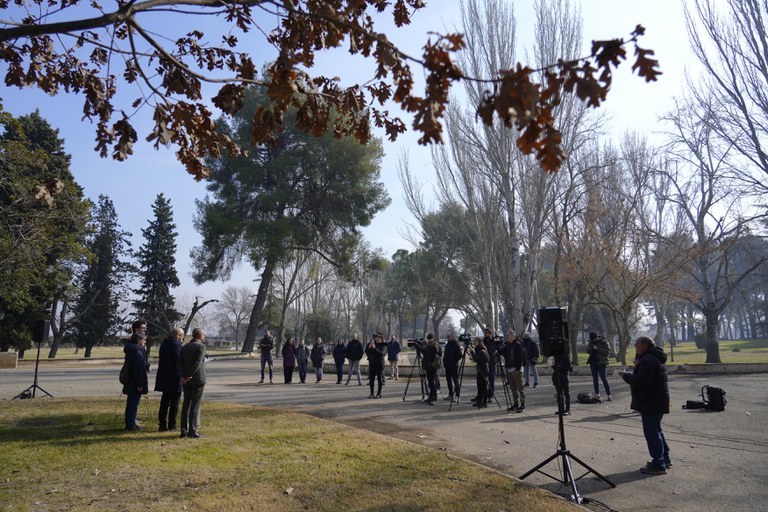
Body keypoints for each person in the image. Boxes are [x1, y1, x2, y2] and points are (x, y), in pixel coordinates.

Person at [618, 336, 671, 475]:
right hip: (655, 400)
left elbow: (641, 380)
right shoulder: (652, 358)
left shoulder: (648, 360)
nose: (635, 346)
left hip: (650, 401)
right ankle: (664, 458)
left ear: (644, 345)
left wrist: (625, 376)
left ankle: (659, 463)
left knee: (652, 432)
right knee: (656, 430)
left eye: (637, 344)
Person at [178, 327, 207, 438]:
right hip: (197, 379)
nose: (204, 336)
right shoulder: (201, 346)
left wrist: (184, 376)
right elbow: (197, 363)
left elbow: (179, 363)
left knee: (186, 404)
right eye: (203, 334)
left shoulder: (185, 347)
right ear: (200, 336)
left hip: (187, 380)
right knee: (195, 405)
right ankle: (192, 430)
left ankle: (183, 430)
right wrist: (189, 375)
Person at [154, 327, 184, 431]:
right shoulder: (176, 345)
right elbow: (179, 360)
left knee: (164, 402)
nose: (183, 338)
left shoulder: (164, 344)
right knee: (174, 403)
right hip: (174, 377)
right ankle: (172, 425)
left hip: (164, 376)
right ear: (178, 336)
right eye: (182, 335)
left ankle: (162, 425)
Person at [123, 332, 149, 431]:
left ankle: (131, 422)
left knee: (131, 403)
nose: (145, 342)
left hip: (130, 381)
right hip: (135, 383)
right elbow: (138, 370)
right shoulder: (137, 352)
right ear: (139, 340)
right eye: (144, 340)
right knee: (133, 404)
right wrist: (140, 384)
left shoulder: (132, 350)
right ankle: (130, 425)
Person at [504, 330, 526, 412]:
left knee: (520, 387)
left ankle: (523, 404)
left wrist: (517, 369)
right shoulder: (508, 345)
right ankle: (515, 404)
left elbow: (520, 358)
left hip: (516, 369)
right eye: (506, 335)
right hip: (509, 369)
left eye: (508, 335)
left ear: (513, 336)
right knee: (513, 388)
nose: (507, 336)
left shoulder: (518, 345)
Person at [587, 331, 612, 400]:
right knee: (595, 379)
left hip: (601, 362)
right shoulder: (591, 342)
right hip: (593, 362)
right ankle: (597, 393)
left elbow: (607, 352)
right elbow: (587, 351)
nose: (593, 341)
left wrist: (597, 348)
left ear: (597, 337)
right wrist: (590, 349)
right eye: (592, 340)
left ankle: (609, 394)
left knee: (604, 379)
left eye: (594, 339)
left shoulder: (604, 342)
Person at [420, 334, 440, 405]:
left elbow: (422, 350)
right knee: (431, 382)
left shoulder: (431, 349)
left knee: (431, 383)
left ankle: (434, 397)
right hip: (431, 367)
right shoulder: (434, 348)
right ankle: (431, 396)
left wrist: (416, 344)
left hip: (431, 367)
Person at [365, 333, 386, 398]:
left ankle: (379, 393)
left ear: (381, 339)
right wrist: (369, 348)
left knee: (379, 378)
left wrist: (374, 349)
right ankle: (372, 393)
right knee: (371, 379)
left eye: (378, 339)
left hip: (380, 364)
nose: (376, 340)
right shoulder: (371, 344)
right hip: (372, 363)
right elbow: (367, 352)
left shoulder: (384, 345)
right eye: (375, 339)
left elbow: (382, 354)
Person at [551, 351, 572, 415]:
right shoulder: (555, 356)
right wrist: (554, 366)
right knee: (559, 394)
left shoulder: (565, 356)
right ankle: (561, 409)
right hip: (557, 377)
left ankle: (568, 409)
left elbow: (569, 368)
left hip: (564, 377)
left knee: (566, 393)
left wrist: (559, 366)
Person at [442, 333, 462, 401]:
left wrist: (453, 361)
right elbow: (445, 354)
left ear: (452, 337)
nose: (447, 338)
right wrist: (444, 362)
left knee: (455, 380)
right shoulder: (447, 345)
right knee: (448, 380)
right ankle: (450, 394)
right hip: (447, 366)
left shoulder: (456, 345)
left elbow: (460, 355)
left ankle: (457, 395)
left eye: (449, 336)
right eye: (447, 336)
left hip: (454, 366)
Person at [470, 337, 488, 409]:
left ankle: (484, 402)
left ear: (479, 342)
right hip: (480, 370)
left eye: (475, 341)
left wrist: (472, 352)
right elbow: (478, 359)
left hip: (483, 371)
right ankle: (479, 401)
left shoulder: (481, 350)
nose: (474, 343)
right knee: (480, 387)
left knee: (483, 387)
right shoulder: (479, 350)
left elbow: (478, 360)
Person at [482, 328, 498, 399]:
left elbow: (494, 351)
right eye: (484, 333)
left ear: (490, 333)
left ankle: (490, 395)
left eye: (486, 333)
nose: (485, 334)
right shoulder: (484, 341)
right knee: (483, 379)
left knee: (491, 379)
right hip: (484, 362)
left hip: (492, 362)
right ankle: (483, 394)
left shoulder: (493, 341)